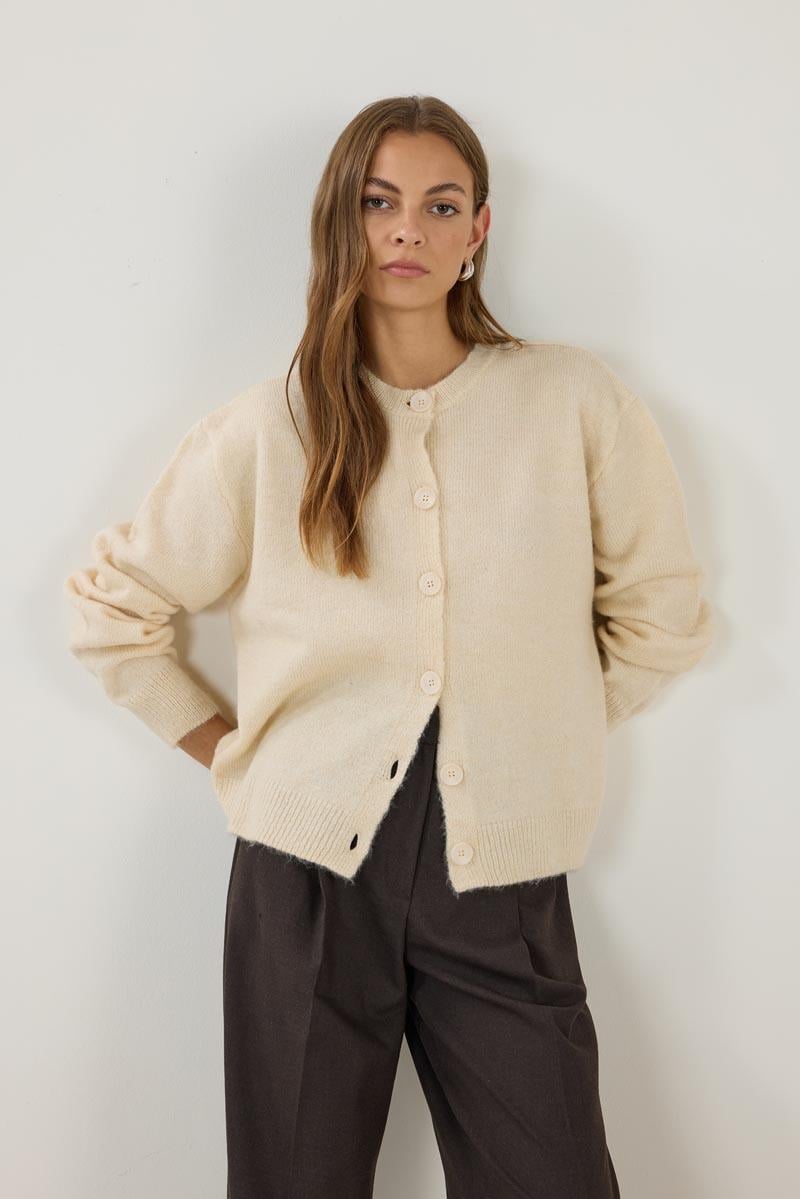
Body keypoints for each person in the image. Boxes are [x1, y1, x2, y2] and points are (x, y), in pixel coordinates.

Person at [63, 94, 714, 1198]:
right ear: (340, 220)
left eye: (439, 205)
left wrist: (530, 723)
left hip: (500, 872)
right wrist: (238, 754)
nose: (406, 229)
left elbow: (662, 615)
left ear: (478, 231)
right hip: (304, 872)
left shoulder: (569, 400)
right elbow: (110, 612)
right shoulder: (271, 426)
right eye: (378, 202)